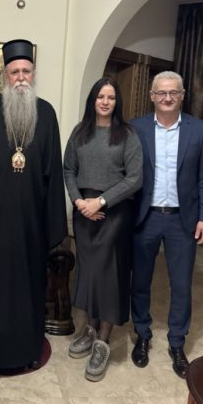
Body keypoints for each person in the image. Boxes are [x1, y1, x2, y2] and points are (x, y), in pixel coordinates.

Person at [0, 39, 67, 371]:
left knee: (26, 287)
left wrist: (52, 225)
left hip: (30, 224)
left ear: (34, 74)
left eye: (26, 71)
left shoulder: (46, 114)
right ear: (5, 75)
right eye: (14, 71)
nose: (21, 78)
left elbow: (53, 171)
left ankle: (27, 348)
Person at [130, 71, 203, 379]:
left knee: (181, 285)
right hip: (146, 217)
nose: (167, 98)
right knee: (140, 281)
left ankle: (177, 342)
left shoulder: (199, 130)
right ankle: (142, 334)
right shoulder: (136, 128)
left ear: (182, 96)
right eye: (161, 93)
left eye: (173, 92)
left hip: (183, 219)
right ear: (152, 96)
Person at [64, 77, 143, 381]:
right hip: (84, 211)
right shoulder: (80, 132)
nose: (105, 102)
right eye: (100, 97)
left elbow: (134, 179)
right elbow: (69, 169)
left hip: (114, 212)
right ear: (93, 100)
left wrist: (101, 201)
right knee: (88, 273)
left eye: (111, 97)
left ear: (117, 101)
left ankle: (103, 342)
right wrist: (79, 201)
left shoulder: (128, 135)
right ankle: (90, 328)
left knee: (109, 276)